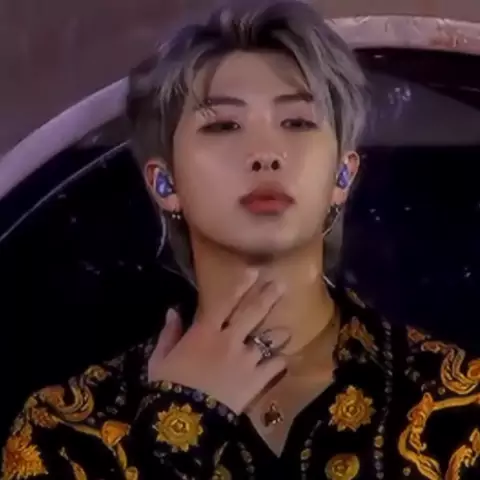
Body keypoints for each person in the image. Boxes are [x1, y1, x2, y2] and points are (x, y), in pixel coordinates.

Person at [3, 1, 480, 479]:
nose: (265, 154)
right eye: (223, 125)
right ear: (165, 183)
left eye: (297, 122)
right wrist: (179, 425)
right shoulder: (68, 429)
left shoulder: (453, 402)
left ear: (342, 174)